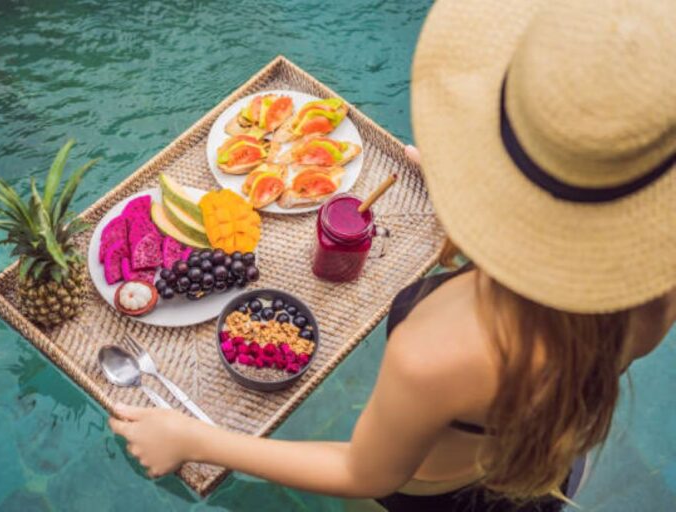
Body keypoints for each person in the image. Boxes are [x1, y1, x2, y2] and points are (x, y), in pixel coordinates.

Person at [109, 0, 676, 509]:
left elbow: (364, 472)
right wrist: (473, 197)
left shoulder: (438, 347)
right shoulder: (656, 282)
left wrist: (195, 440)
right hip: (544, 465)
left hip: (431, 496)